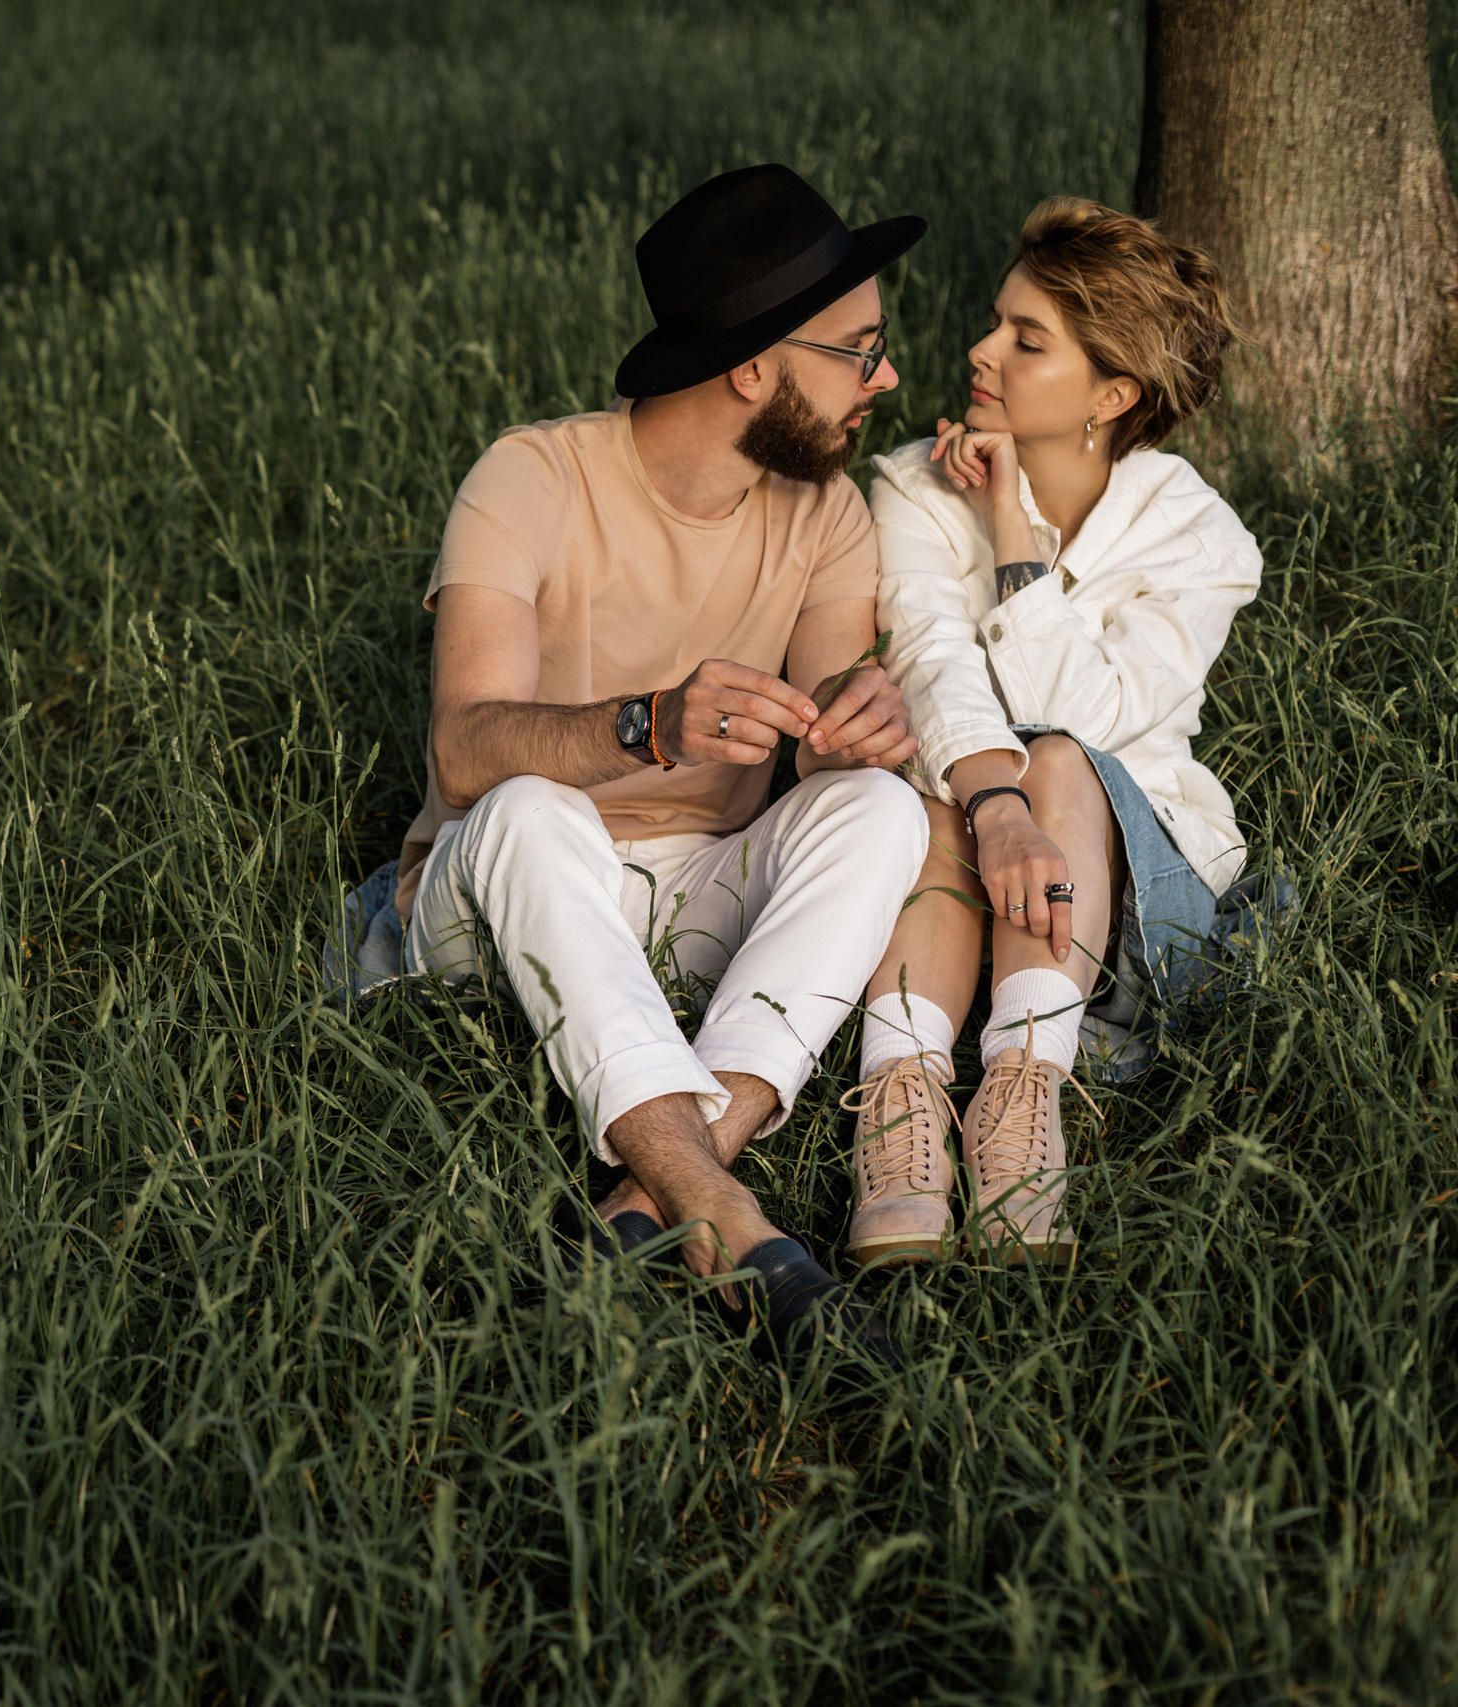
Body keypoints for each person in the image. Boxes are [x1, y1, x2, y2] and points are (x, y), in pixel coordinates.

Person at [398, 164, 930, 1367]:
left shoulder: (824, 508)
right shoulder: (530, 477)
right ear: (752, 367)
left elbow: (833, 708)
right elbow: (462, 745)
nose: (887, 377)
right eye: (859, 350)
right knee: (533, 806)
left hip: (698, 896)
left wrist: (860, 723)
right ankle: (732, 1220)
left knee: (877, 812)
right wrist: (646, 725)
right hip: (503, 901)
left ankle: (653, 1198)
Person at [839, 198, 1256, 1270]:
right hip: (961, 850)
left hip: (1114, 891)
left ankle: (1024, 1099)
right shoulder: (909, 489)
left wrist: (1012, 534)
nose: (981, 351)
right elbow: (927, 664)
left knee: (1061, 756)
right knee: (926, 771)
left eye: (1027, 341)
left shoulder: (1200, 538)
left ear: (1111, 395)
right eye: (996, 322)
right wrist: (993, 799)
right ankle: (900, 1108)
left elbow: (1091, 714)